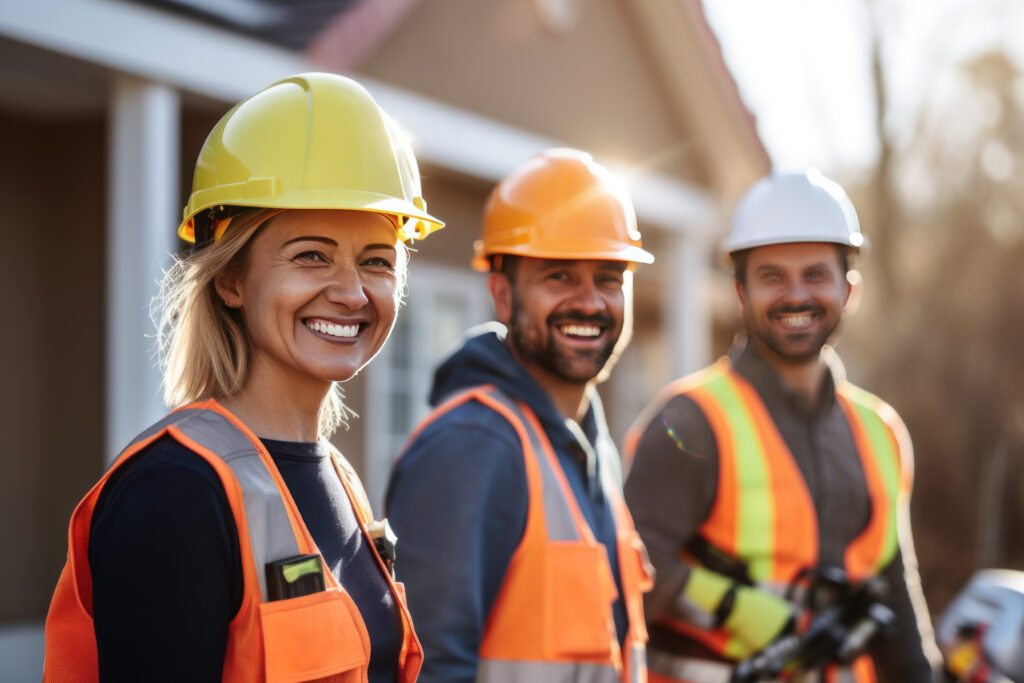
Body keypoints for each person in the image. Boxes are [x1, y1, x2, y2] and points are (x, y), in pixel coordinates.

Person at [43, 72, 444, 682]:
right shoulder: (174, 492)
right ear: (231, 280)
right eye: (311, 254)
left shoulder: (339, 481)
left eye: (377, 262)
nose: (351, 291)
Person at [623, 169, 941, 682]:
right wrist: (732, 608)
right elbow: (626, 572)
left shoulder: (881, 432)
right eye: (772, 276)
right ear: (740, 293)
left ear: (849, 289)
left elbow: (897, 605)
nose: (796, 296)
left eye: (815, 274)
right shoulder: (690, 420)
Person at [385, 148, 655, 683]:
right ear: (503, 295)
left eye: (608, 277)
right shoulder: (472, 445)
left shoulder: (590, 444)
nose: (590, 302)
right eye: (558, 276)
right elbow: (431, 665)